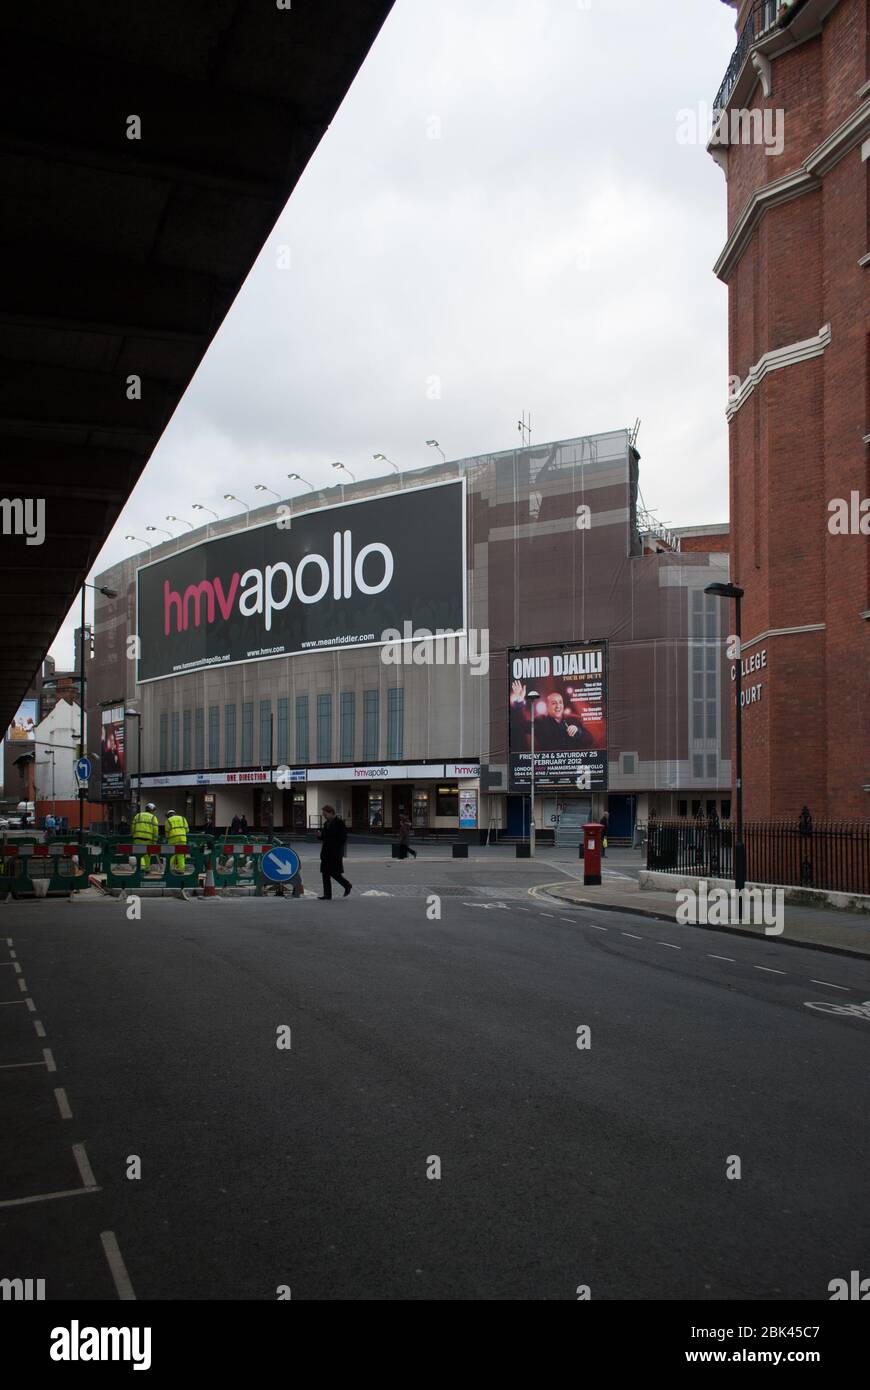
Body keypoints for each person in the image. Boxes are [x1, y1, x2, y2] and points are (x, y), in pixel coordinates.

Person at [317, 805, 351, 899]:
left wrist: (336, 846)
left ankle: (347, 885)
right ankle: (327, 895)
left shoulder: (339, 823)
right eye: (323, 814)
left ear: (331, 812)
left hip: (334, 853)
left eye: (325, 814)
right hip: (325, 852)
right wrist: (320, 835)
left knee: (334, 873)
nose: (324, 816)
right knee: (325, 873)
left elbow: (343, 838)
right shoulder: (326, 823)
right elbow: (324, 837)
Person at [165, 808, 190, 874]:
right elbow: (187, 830)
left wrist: (167, 838)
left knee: (171, 854)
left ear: (168, 816)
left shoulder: (168, 820)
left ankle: (169, 869)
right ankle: (181, 870)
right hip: (182, 839)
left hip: (173, 839)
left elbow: (167, 832)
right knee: (181, 854)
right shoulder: (183, 818)